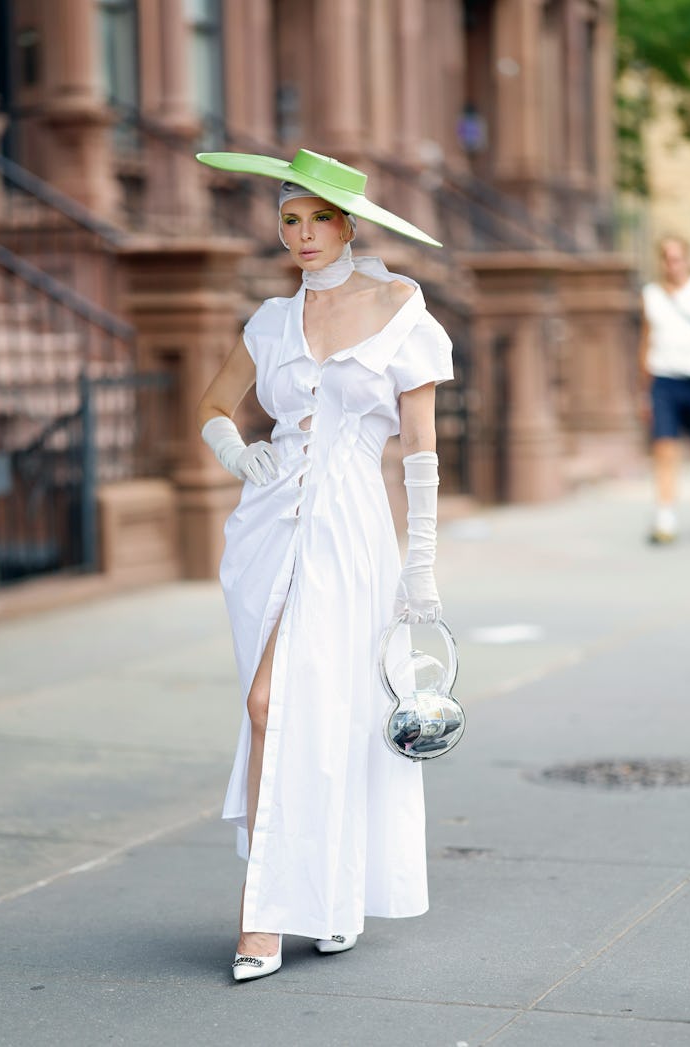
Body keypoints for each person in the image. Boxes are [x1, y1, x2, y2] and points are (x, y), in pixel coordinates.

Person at [194, 148, 453, 981]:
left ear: (350, 224)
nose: (301, 235)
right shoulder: (270, 321)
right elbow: (211, 406)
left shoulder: (401, 307)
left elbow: (420, 452)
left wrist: (421, 569)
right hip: (267, 531)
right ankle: (317, 898)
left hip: (350, 534)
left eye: (316, 219)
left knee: (298, 708)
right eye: (288, 220)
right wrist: (238, 454)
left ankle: (268, 915)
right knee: (276, 708)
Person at [639, 235, 690, 543]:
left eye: (678, 258)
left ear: (687, 260)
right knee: (664, 449)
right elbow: (646, 340)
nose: (673, 264)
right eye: (667, 258)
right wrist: (643, 389)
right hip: (664, 380)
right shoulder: (651, 295)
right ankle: (665, 517)